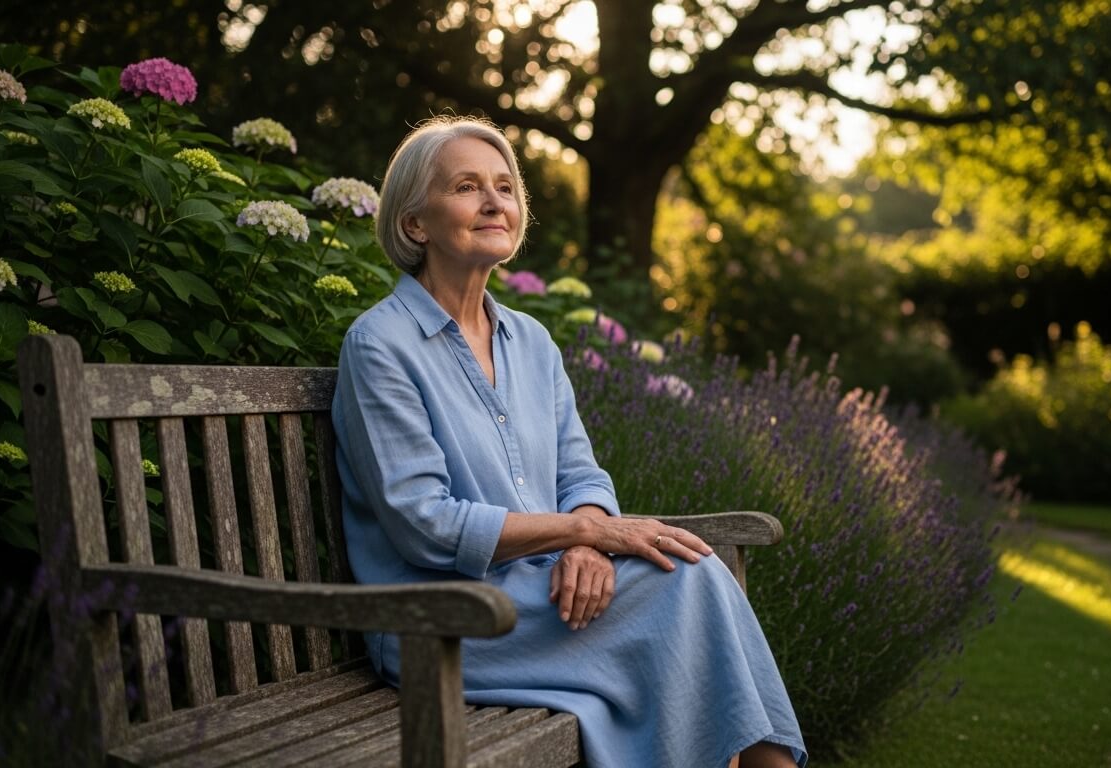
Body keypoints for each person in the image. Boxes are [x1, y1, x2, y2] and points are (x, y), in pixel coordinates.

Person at [331, 115, 806, 768]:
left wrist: (587, 528)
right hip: (444, 622)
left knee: (693, 572)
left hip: (543, 592)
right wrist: (587, 535)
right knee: (687, 580)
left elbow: (581, 474)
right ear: (416, 224)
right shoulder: (380, 346)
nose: (495, 201)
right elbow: (426, 525)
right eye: (468, 187)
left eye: (505, 186)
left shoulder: (531, 341)